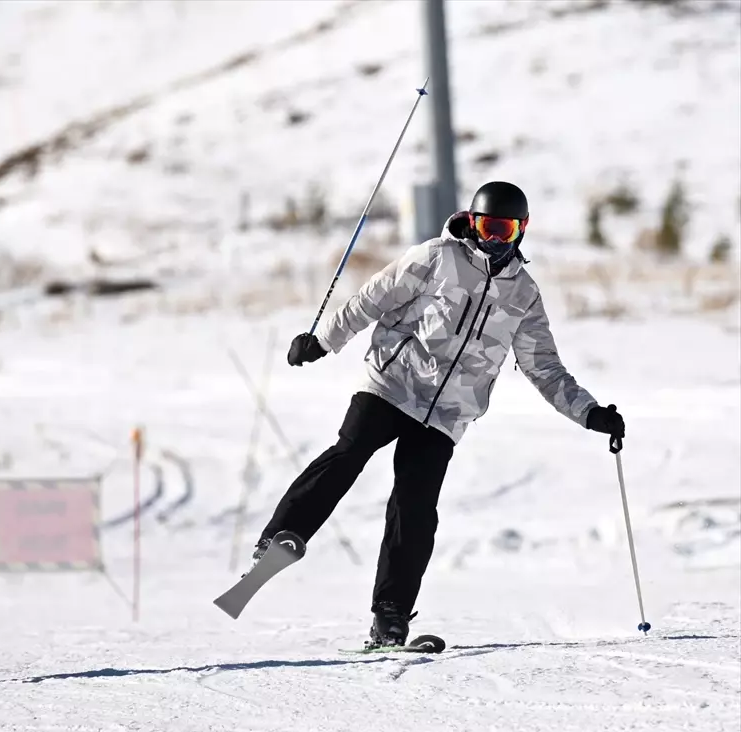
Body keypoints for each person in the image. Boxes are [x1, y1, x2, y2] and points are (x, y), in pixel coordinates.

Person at [251, 181, 626, 648]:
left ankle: (390, 615)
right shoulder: (435, 258)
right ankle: (282, 533)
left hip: (448, 413)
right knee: (351, 450)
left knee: (415, 506)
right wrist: (323, 341)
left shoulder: (524, 295)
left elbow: (544, 368)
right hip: (392, 383)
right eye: (485, 226)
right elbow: (370, 299)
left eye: (503, 229)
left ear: (520, 231)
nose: (492, 238)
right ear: (471, 221)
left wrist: (590, 414)